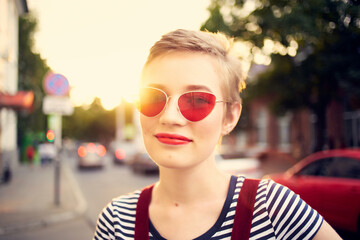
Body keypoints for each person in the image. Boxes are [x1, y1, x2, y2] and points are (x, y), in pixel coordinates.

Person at [93, 29, 341, 240]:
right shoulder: (116, 221)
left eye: (197, 100)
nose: (169, 117)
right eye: (152, 97)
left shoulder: (273, 209)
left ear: (230, 116)